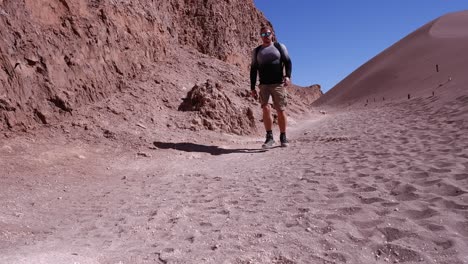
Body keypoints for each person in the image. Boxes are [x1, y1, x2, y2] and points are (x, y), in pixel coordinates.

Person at [250, 25, 292, 148]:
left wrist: (287, 76)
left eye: (267, 34)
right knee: (266, 108)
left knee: (280, 109)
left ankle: (283, 136)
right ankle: (269, 138)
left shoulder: (279, 47)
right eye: (263, 34)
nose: (265, 36)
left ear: (272, 34)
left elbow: (288, 62)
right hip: (264, 85)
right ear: (260, 36)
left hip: (278, 83)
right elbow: (253, 70)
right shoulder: (256, 51)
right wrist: (252, 87)